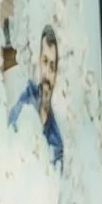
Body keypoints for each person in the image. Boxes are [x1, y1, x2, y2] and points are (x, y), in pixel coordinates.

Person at [8, 20, 67, 174]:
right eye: (45, 62)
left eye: (52, 67)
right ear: (39, 60)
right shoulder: (24, 103)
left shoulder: (57, 138)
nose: (47, 73)